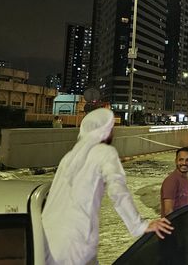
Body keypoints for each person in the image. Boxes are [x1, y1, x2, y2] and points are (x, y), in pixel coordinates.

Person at [42, 108, 173, 265]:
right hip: (77, 240)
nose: (113, 133)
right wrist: (140, 225)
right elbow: (118, 192)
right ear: (105, 130)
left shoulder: (68, 158)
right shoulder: (104, 152)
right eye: (111, 128)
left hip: (47, 239)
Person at [161, 147, 188, 216]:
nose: (184, 163)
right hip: (174, 225)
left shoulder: (184, 178)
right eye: (181, 160)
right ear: (176, 161)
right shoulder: (172, 181)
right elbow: (168, 212)